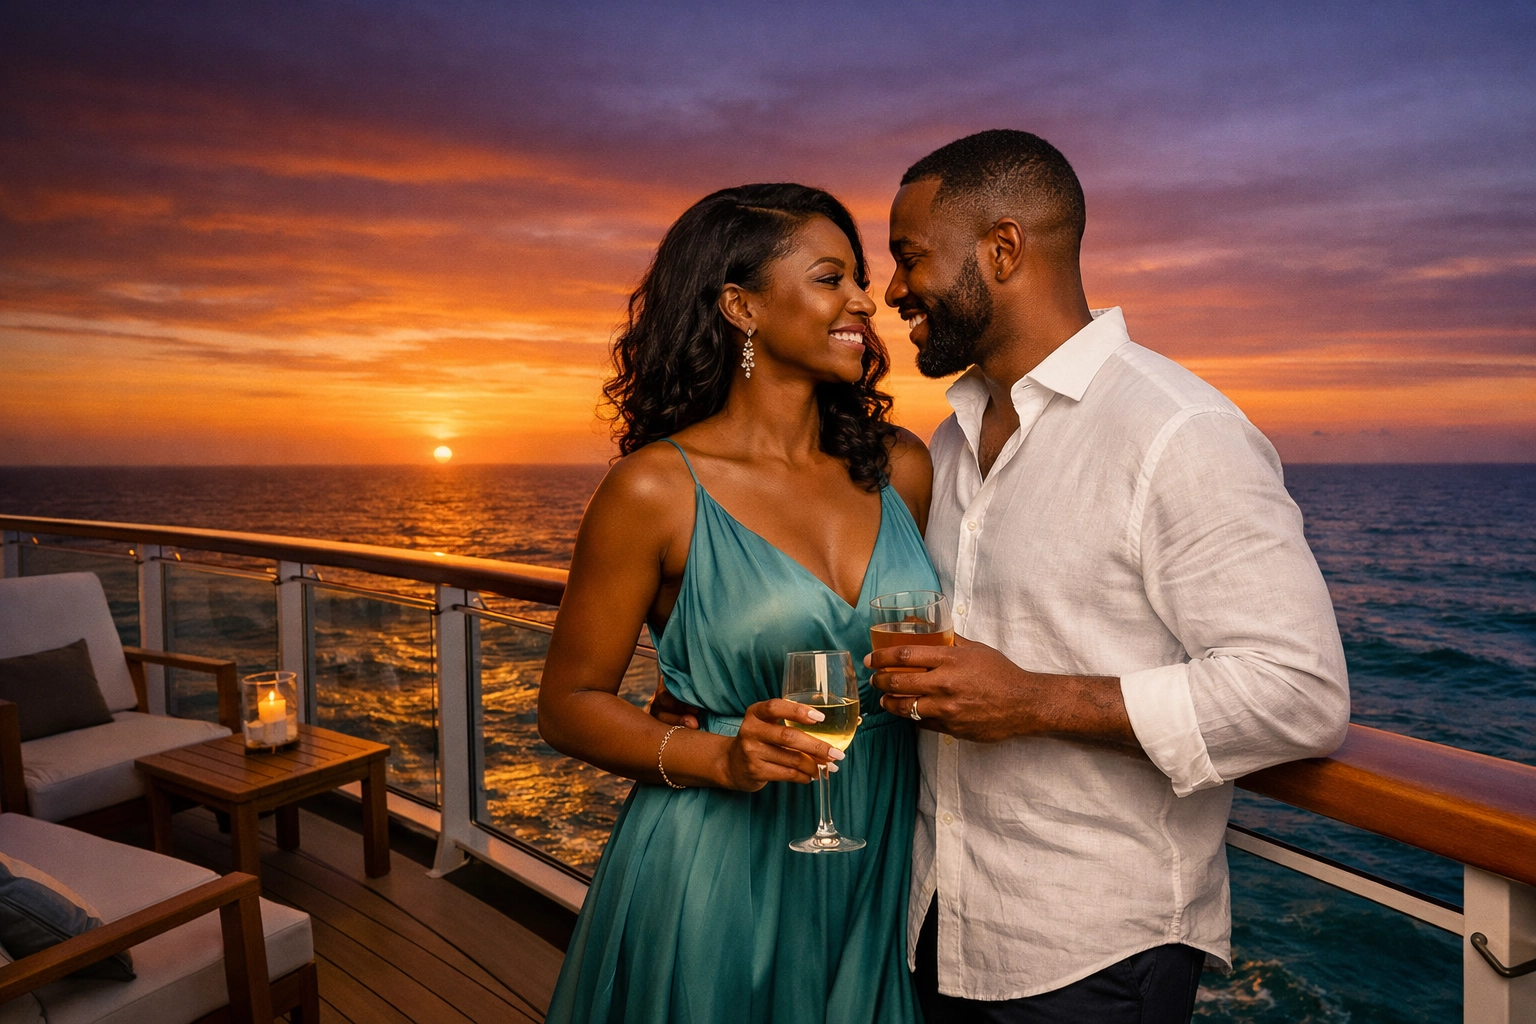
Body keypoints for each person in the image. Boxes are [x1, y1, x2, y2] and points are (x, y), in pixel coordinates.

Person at [865, 129, 1351, 1023]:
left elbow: (1301, 693)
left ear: (1002, 249)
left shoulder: (1177, 431)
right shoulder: (951, 438)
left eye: (909, 257)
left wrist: (1035, 701)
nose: (892, 290)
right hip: (936, 920)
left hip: (1094, 954)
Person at [538, 182, 937, 1023]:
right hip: (719, 858)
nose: (866, 301)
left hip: (879, 850)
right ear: (740, 305)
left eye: (859, 279)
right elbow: (567, 707)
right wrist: (720, 759)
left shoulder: (900, 466)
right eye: (832, 278)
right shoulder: (654, 489)